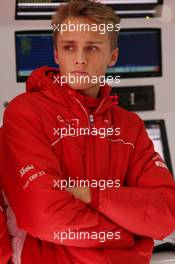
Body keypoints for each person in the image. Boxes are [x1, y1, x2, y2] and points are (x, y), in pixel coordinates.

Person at [1, 0, 175, 263]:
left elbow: (166, 214)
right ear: (57, 54)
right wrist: (128, 234)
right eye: (69, 47)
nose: (80, 58)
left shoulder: (130, 126)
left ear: (113, 56)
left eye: (92, 47)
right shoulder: (25, 113)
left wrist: (93, 195)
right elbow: (46, 218)